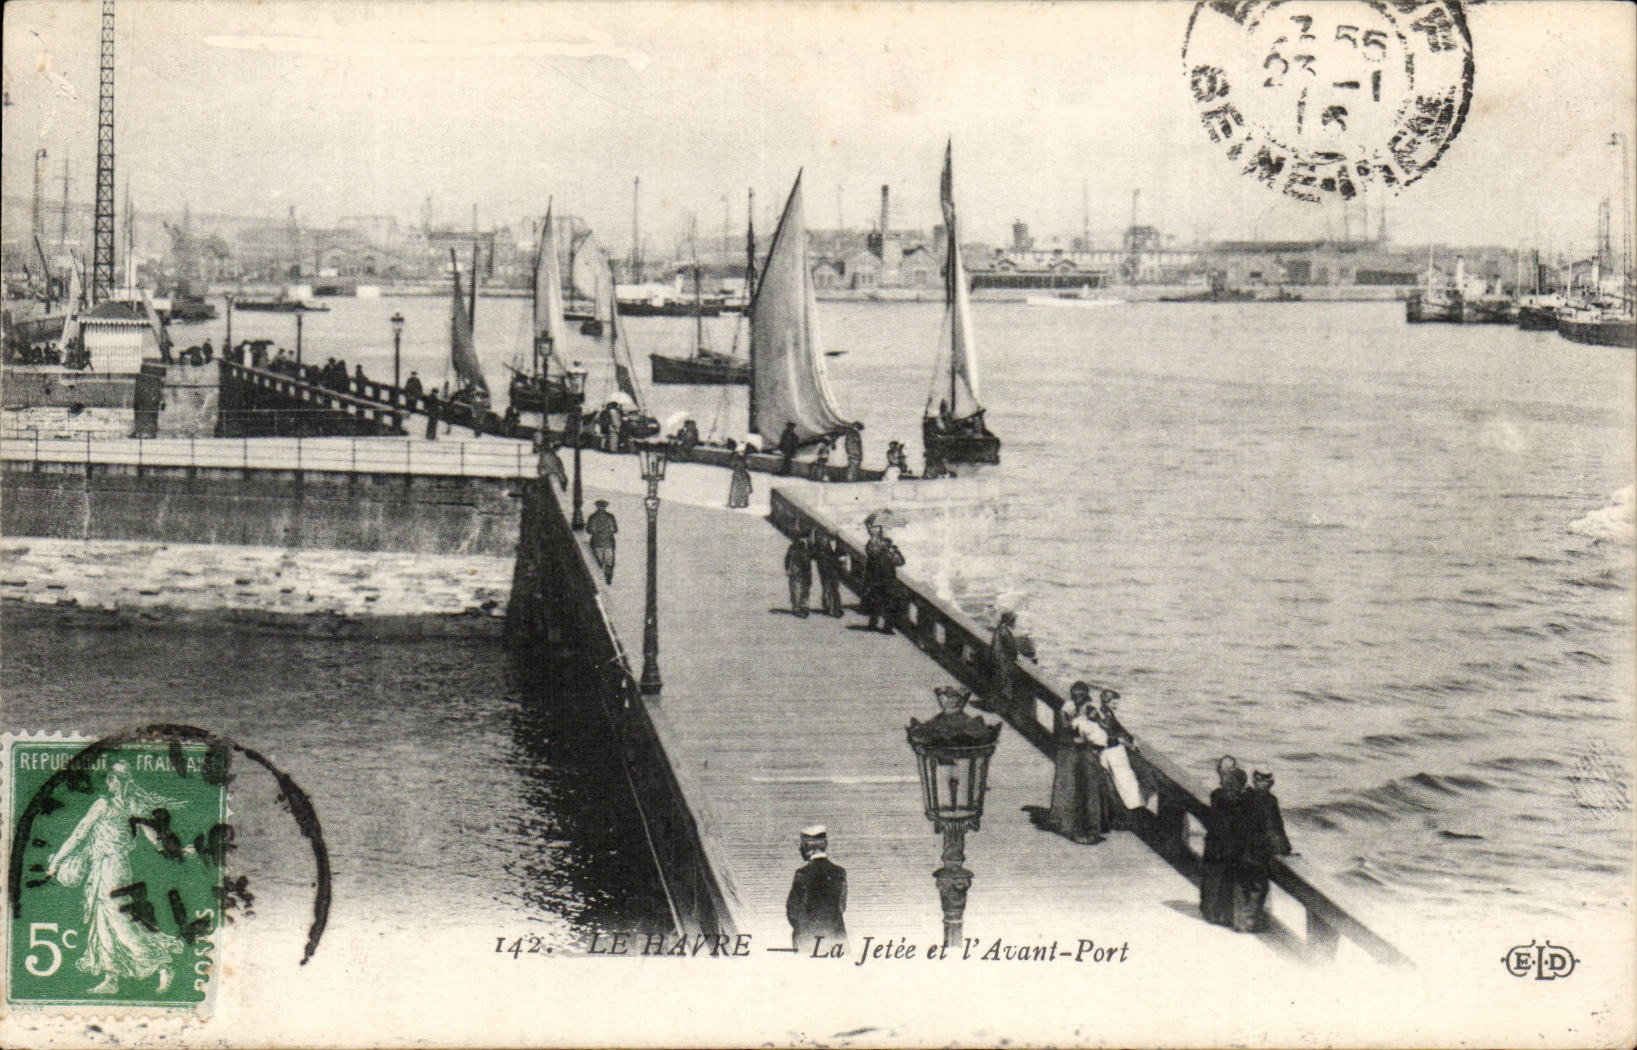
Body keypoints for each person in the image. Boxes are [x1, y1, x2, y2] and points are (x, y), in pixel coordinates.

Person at [45, 762, 190, 995]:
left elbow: (155, 840)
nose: (108, 783)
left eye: (112, 779)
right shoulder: (108, 804)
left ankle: (163, 965)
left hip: (115, 869)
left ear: (124, 781)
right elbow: (79, 833)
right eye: (108, 778)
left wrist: (181, 852)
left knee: (120, 921)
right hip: (102, 868)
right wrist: (57, 861)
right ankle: (111, 978)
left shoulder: (126, 806)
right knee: (102, 919)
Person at [1037, 682, 1109, 844]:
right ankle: (1071, 823)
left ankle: (1090, 829)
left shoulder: (1091, 708)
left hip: (1088, 751)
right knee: (1072, 786)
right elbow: (1066, 725)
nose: (1077, 699)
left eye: (1080, 696)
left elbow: (1096, 728)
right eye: (1075, 696)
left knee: (1088, 790)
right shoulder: (1069, 707)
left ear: (1086, 696)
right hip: (1075, 749)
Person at [1231, 770, 1293, 933]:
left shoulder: (1244, 797)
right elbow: (1275, 828)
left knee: (1242, 883)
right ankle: (1249, 922)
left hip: (1241, 848)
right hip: (1258, 851)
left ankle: (1239, 921)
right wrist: (1285, 848)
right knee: (1258, 885)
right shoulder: (1269, 801)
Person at [786, 826, 847, 954]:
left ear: (808, 847)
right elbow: (842, 906)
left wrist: (804, 928)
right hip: (836, 939)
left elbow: (792, 911)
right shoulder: (840, 872)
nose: (800, 848)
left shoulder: (802, 874)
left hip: (808, 940)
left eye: (802, 844)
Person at [1200, 759, 1244, 927]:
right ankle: (1223, 915)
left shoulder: (1218, 795)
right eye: (1224, 772)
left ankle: (1211, 912)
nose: (1225, 777)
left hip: (1217, 842)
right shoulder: (1237, 798)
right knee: (1223, 878)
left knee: (1214, 877)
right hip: (1227, 843)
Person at [859, 518, 905, 633]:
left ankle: (887, 627)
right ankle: (873, 624)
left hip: (888, 578)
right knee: (875, 601)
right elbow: (872, 552)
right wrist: (884, 547)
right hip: (875, 577)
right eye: (870, 528)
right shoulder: (872, 543)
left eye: (874, 527)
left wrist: (892, 550)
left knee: (889, 603)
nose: (871, 530)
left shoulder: (889, 546)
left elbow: (900, 562)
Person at [984, 611, 1024, 714]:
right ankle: (992, 706)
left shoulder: (1001, 630)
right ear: (1010, 621)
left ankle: (992, 705)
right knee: (999, 684)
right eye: (1014, 620)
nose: (1015, 623)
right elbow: (1009, 648)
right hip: (1001, 663)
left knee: (998, 684)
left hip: (999, 661)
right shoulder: (1004, 631)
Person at [813, 531, 844, 618]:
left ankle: (835, 609)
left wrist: (842, 559)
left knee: (835, 589)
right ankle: (828, 606)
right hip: (825, 571)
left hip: (835, 571)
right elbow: (819, 558)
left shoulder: (839, 545)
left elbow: (842, 554)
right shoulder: (823, 545)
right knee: (827, 589)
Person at [586, 500, 618, 584]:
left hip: (597, 543)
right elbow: (615, 530)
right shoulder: (610, 517)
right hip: (608, 543)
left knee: (598, 562)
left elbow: (588, 530)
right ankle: (608, 579)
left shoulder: (592, 517)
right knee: (609, 562)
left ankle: (599, 580)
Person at [783, 533, 813, 617]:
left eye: (806, 538)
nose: (804, 540)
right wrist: (787, 569)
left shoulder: (807, 547)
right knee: (796, 590)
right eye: (803, 538)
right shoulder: (794, 547)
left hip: (806, 572)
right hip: (797, 571)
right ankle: (796, 608)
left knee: (805, 590)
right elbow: (787, 559)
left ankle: (804, 606)